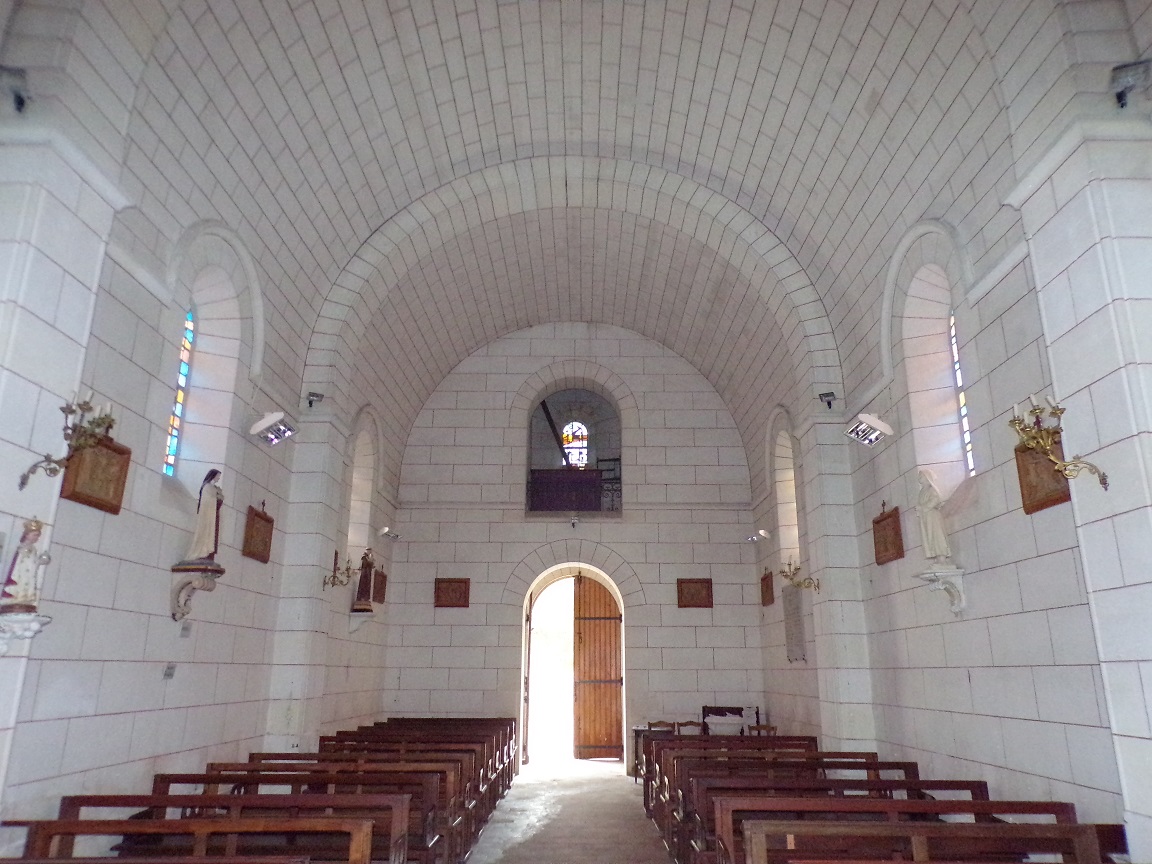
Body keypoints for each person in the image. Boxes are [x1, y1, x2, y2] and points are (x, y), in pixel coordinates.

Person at [2, 518, 51, 612]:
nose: (37, 538)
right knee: (21, 588)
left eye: (38, 536)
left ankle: (24, 600)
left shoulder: (33, 549)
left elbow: (32, 564)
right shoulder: (23, 547)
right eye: (35, 535)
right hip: (22, 576)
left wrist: (40, 561)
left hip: (28, 576)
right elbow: (21, 565)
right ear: (27, 535)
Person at [185, 469, 223, 561]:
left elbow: (217, 500)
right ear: (213, 476)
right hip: (207, 515)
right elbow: (207, 502)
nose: (218, 478)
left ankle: (206, 552)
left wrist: (219, 497)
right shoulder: (207, 487)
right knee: (205, 532)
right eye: (218, 476)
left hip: (212, 515)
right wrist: (217, 497)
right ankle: (201, 552)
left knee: (211, 533)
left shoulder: (213, 488)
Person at [916, 467, 951, 561]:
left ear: (927, 477)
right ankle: (937, 559)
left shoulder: (932, 490)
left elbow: (936, 500)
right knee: (930, 538)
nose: (919, 478)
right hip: (926, 517)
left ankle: (942, 559)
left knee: (937, 536)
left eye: (921, 476)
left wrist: (922, 507)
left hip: (933, 516)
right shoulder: (922, 492)